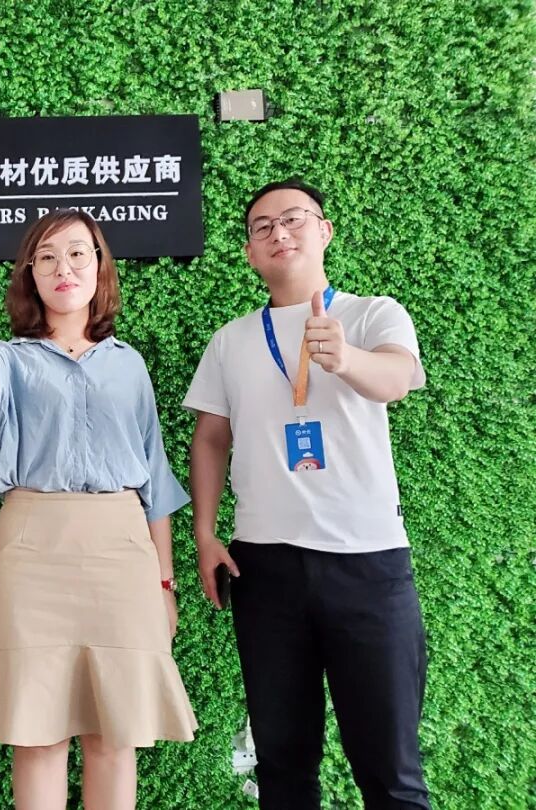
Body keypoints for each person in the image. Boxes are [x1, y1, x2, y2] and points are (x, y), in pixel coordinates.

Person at [184, 178, 430, 809]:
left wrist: (346, 358)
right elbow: (210, 437)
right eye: (262, 227)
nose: (279, 233)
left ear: (324, 231)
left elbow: (396, 378)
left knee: (391, 771)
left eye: (293, 219)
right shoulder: (231, 339)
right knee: (283, 767)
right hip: (265, 568)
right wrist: (205, 534)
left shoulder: (373, 314)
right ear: (249, 251)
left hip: (367, 563)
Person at [0, 210, 197, 810]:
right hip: (33, 550)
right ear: (30, 274)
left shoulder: (129, 363)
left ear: (99, 265)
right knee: (38, 733)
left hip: (122, 551)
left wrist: (165, 582)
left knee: (115, 733)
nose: (64, 267)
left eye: (78, 253)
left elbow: (154, 479)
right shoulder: (9, 356)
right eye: (48, 257)